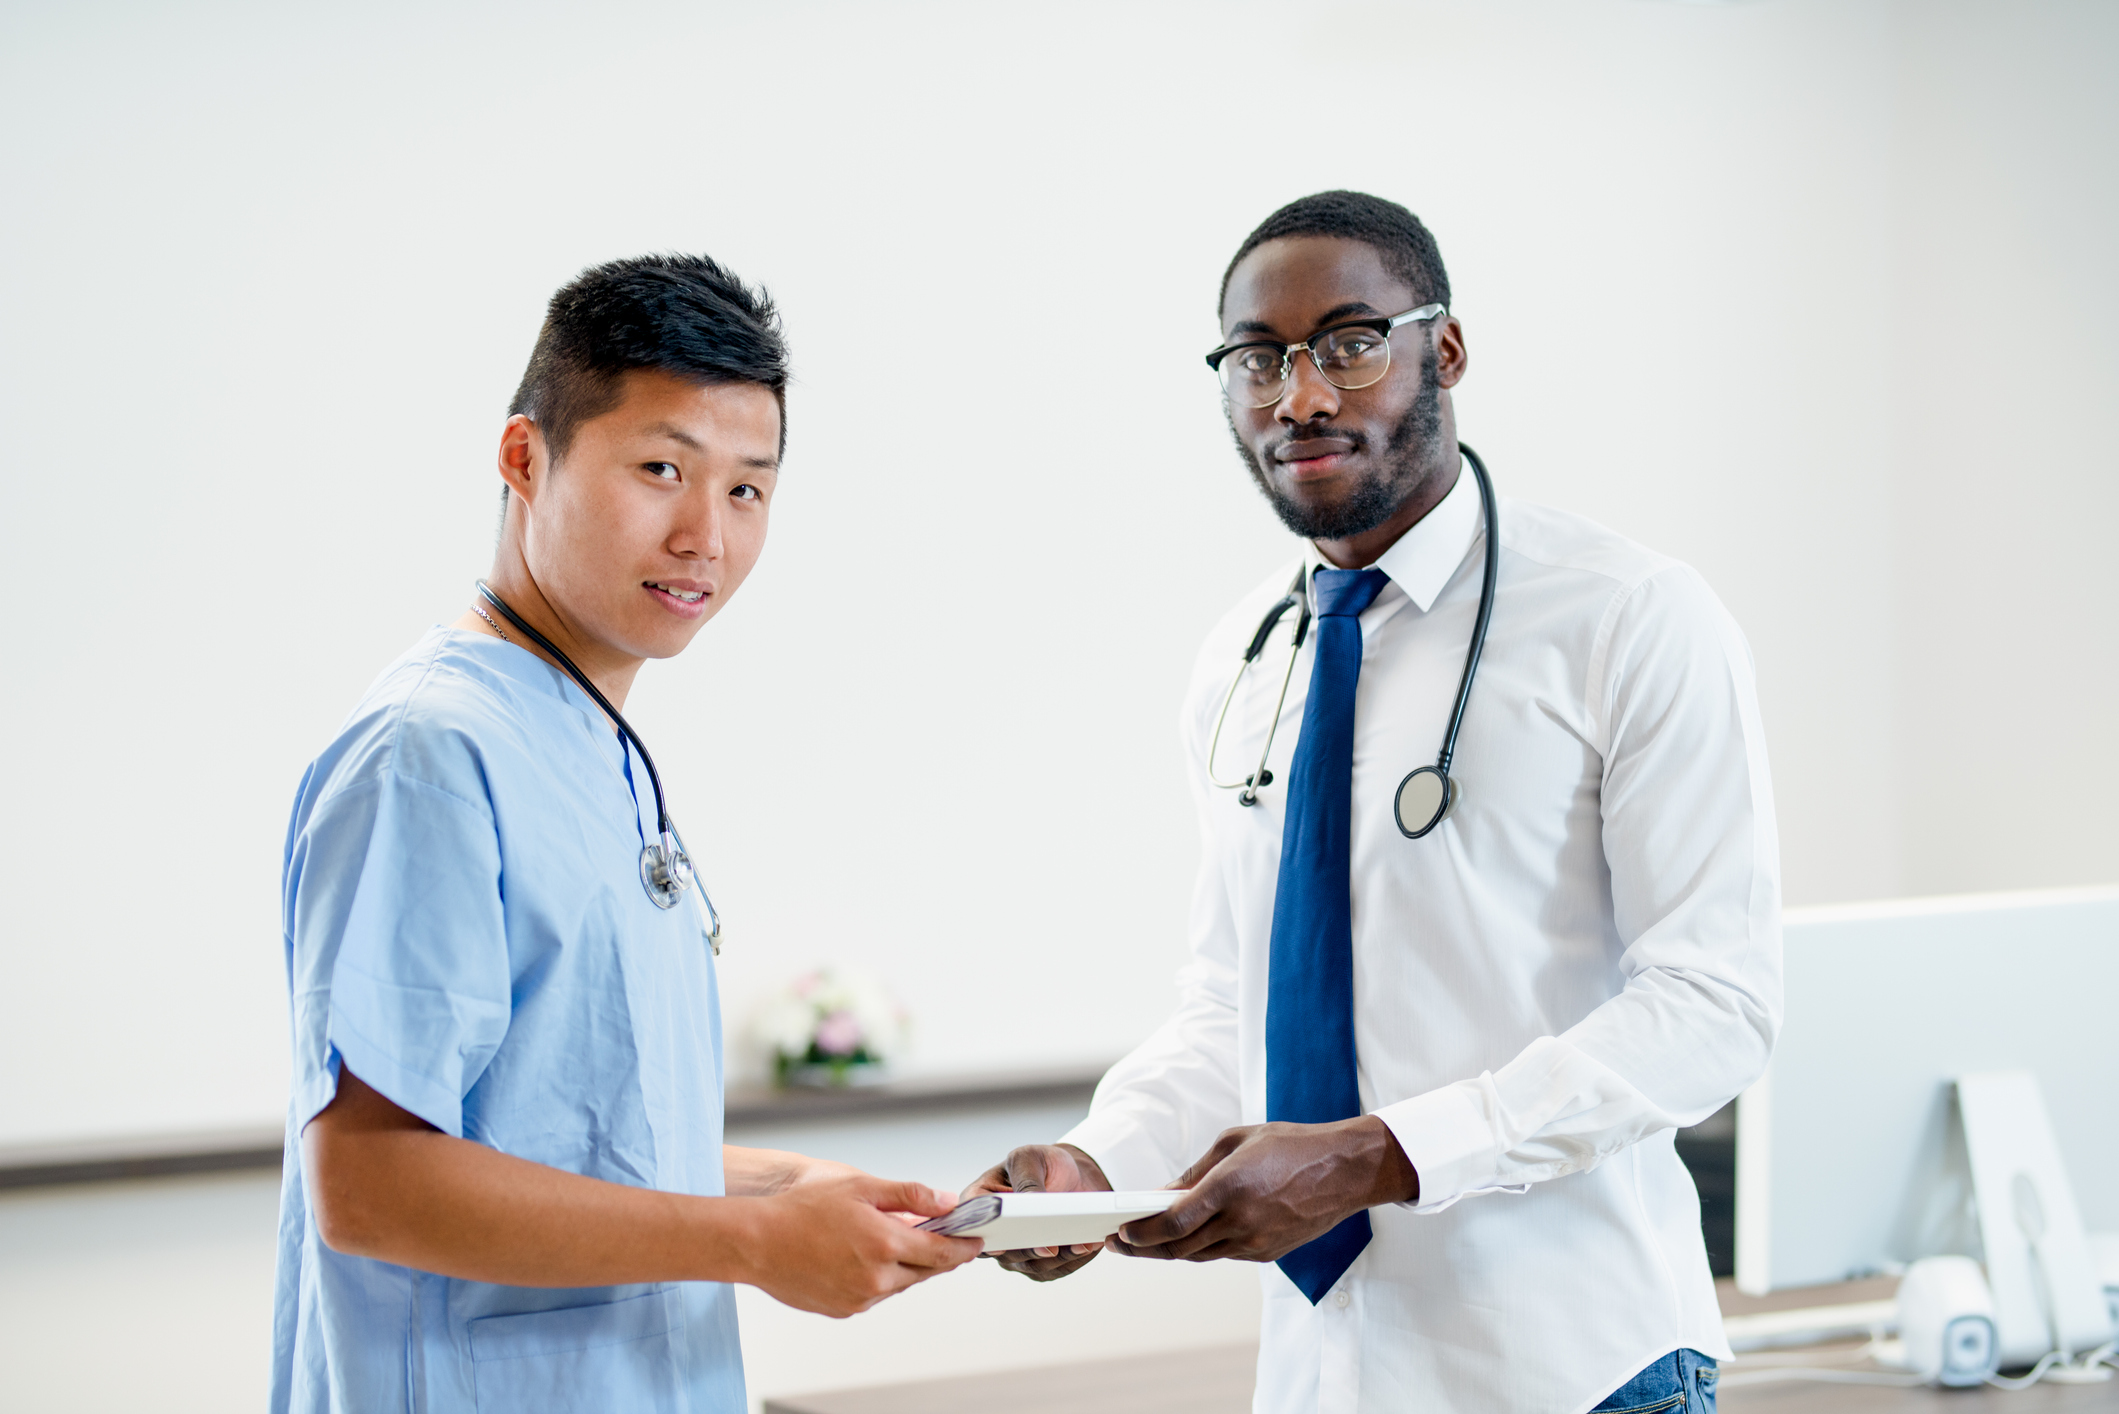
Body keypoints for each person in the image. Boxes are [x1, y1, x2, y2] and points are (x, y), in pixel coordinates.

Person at [968, 192, 1778, 1414]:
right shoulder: (1244, 657)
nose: (1297, 396)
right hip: (1325, 1376)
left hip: (1580, 1370)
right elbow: (1232, 1006)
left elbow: (1713, 1007)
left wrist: (1378, 1156)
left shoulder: (1627, 619)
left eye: (1349, 342)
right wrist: (1099, 1161)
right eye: (1256, 359)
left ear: (1442, 351)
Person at [272, 254, 983, 1414]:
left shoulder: (583, 738)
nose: (706, 534)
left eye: (748, 490)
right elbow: (372, 1180)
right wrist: (750, 1242)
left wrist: (784, 1185)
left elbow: (567, 1133)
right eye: (662, 469)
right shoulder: (434, 753)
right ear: (523, 458)